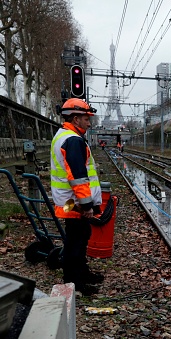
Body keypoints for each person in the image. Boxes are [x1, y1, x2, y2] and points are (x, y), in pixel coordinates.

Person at [51, 98, 104, 295]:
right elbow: (78, 177)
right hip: (73, 203)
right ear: (75, 119)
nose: (89, 123)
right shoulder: (72, 140)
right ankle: (75, 284)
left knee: (80, 237)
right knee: (76, 241)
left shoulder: (63, 136)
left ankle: (82, 274)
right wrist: (87, 204)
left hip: (67, 201)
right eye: (86, 118)